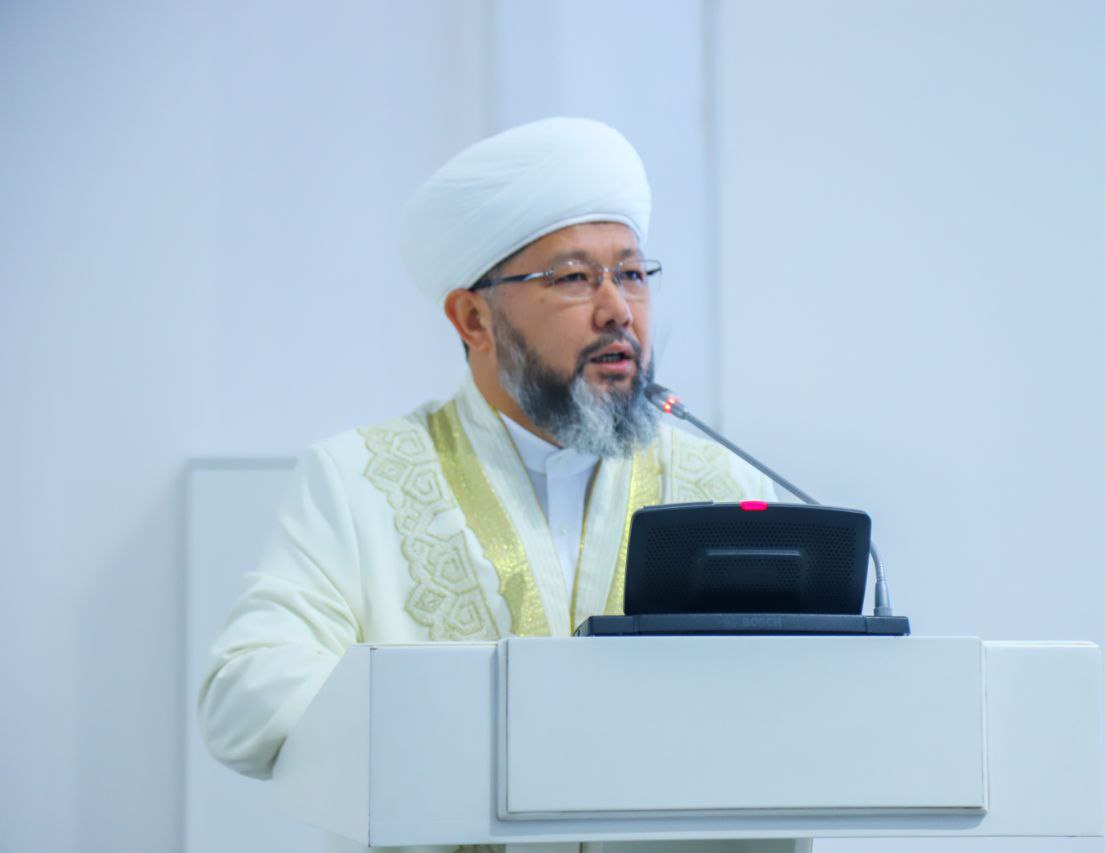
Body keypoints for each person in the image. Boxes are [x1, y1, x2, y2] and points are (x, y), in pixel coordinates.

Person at [198, 117, 774, 784]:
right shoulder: (357, 481)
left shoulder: (726, 485)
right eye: (574, 277)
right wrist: (486, 717)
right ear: (474, 320)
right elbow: (243, 703)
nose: (617, 309)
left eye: (632, 273)